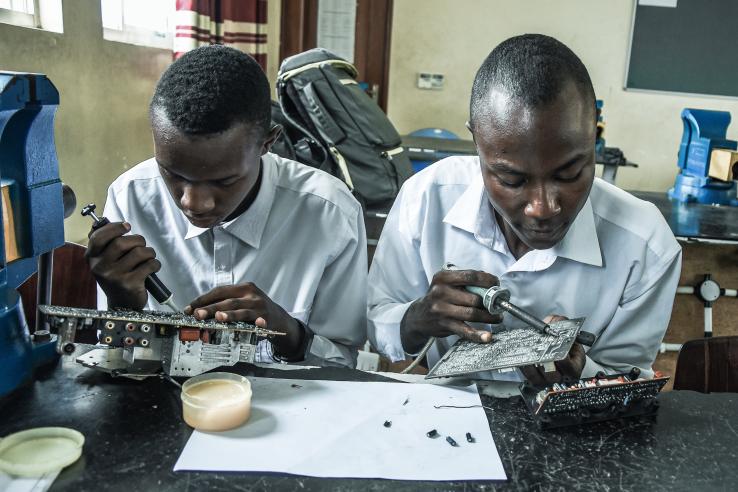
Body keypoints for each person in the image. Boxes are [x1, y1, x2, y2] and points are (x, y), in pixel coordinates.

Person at [367, 34, 681, 384]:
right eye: (512, 179)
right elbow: (376, 324)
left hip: (574, 434)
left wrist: (584, 373)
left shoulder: (646, 244)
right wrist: (417, 318)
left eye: (570, 174)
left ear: (593, 136)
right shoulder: (425, 198)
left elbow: (629, 378)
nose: (542, 209)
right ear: (477, 142)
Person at [86, 45, 367, 367]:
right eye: (172, 173)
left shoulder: (330, 211)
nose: (193, 202)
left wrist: (289, 333)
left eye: (224, 181)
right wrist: (122, 305)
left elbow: (344, 359)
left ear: (268, 143)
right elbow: (119, 357)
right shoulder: (130, 196)